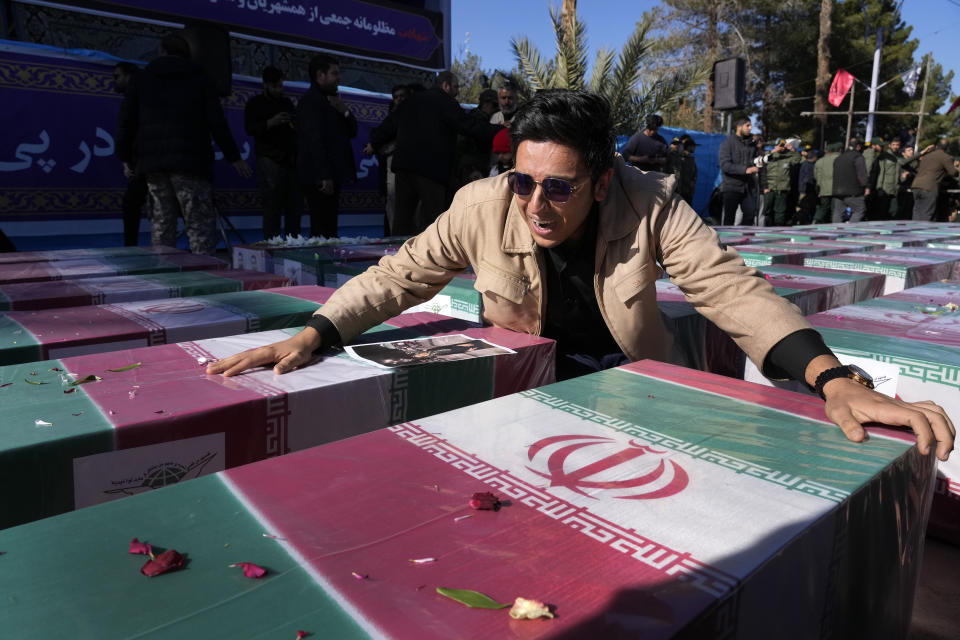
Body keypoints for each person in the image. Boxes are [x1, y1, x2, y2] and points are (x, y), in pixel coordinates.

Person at [208, 88, 953, 462]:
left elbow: (730, 291)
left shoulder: (651, 203)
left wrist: (834, 379)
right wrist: (314, 332)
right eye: (523, 180)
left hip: (627, 381)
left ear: (601, 179)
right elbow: (400, 275)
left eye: (559, 187)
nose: (535, 203)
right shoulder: (481, 203)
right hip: (520, 380)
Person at [116, 34, 251, 255]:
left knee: (162, 226)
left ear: (161, 51)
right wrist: (234, 156)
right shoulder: (200, 77)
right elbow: (217, 122)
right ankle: (205, 279)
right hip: (191, 163)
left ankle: (166, 281)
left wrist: (125, 157)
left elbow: (126, 122)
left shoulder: (142, 79)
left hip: (154, 165)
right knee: (199, 228)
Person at [376, 71, 498, 234]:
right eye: (455, 87)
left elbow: (389, 125)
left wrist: (373, 141)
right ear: (445, 85)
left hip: (404, 169)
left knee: (402, 219)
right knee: (433, 220)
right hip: (430, 170)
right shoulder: (445, 102)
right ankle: (432, 257)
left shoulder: (411, 100)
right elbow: (469, 126)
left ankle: (398, 255)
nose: (458, 92)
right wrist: (499, 130)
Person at [297, 54, 357, 239]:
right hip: (320, 178)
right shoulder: (311, 102)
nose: (338, 78)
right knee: (322, 230)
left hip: (331, 175)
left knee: (329, 229)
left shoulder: (332, 102)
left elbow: (352, 131)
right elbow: (314, 141)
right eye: (334, 73)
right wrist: (324, 176)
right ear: (320, 75)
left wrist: (344, 111)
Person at [244, 65, 301, 239]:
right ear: (266, 85)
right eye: (275, 86)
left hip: (289, 159)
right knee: (272, 204)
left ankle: (294, 243)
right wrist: (270, 123)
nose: (279, 90)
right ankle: (272, 243)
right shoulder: (255, 104)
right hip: (269, 158)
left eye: (280, 86)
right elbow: (250, 128)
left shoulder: (286, 103)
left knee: (294, 205)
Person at [365, 84, 412, 235]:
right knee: (392, 206)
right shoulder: (393, 116)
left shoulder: (410, 115)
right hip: (391, 168)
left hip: (406, 169)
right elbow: (382, 134)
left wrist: (374, 143)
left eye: (402, 96)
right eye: (396, 97)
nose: (399, 100)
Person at [112, 61, 148, 247]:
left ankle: (131, 248)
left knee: (132, 204)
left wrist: (126, 159)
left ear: (129, 76)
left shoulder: (135, 95)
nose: (115, 81)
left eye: (117, 76)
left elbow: (125, 129)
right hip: (154, 159)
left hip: (146, 161)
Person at [718, 117, 760, 226]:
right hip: (731, 187)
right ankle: (727, 241)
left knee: (750, 214)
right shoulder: (727, 143)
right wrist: (745, 170)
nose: (750, 128)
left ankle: (746, 240)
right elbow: (725, 165)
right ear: (739, 127)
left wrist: (760, 161)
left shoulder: (751, 144)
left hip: (748, 187)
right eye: (748, 126)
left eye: (751, 126)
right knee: (729, 218)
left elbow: (755, 160)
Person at [456, 88, 500, 186]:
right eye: (495, 105)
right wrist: (471, 169)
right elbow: (464, 148)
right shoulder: (475, 121)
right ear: (486, 104)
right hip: (471, 169)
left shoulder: (479, 120)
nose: (497, 109)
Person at [911, 138, 959, 221]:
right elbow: (953, 173)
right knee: (926, 213)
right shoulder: (946, 157)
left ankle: (913, 231)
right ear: (947, 148)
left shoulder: (926, 156)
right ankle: (922, 233)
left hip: (916, 186)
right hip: (929, 188)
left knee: (917, 212)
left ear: (936, 146)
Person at [762, 139, 803, 226]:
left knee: (780, 211)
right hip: (769, 187)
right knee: (766, 210)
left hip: (782, 188)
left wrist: (792, 149)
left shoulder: (788, 156)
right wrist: (774, 150)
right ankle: (766, 227)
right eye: (780, 145)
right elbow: (761, 158)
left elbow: (798, 159)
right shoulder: (770, 155)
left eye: (783, 146)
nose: (782, 148)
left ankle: (778, 228)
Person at [831, 139, 869, 223]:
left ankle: (835, 230)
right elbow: (862, 174)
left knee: (838, 212)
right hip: (853, 191)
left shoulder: (838, 158)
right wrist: (866, 186)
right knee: (860, 209)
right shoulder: (858, 157)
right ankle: (850, 229)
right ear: (858, 146)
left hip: (837, 191)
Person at [871, 138, 902, 220]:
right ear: (890, 145)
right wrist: (879, 187)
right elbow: (881, 173)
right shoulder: (884, 156)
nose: (896, 147)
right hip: (885, 188)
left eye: (897, 145)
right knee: (882, 211)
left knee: (894, 211)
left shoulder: (899, 157)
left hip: (895, 188)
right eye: (894, 145)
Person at [813, 142, 841, 224]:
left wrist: (819, 188)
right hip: (837, 189)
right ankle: (834, 224)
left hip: (823, 189)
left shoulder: (820, 161)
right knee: (835, 208)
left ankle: (816, 220)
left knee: (823, 207)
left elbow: (816, 176)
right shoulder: (839, 158)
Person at [676, 134, 698, 206]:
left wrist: (692, 183)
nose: (694, 148)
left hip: (689, 192)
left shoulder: (691, 158)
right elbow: (681, 174)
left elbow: (694, 173)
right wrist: (689, 183)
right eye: (693, 146)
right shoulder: (682, 158)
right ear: (688, 147)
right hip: (682, 191)